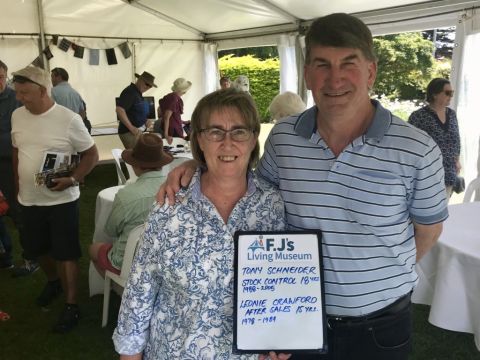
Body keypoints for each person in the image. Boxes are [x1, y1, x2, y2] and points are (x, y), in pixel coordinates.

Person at [158, 13, 448, 360]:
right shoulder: (284, 138)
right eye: (322, 64)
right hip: (296, 320)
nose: (335, 78)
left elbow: (428, 231)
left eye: (348, 64)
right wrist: (199, 162)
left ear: (370, 71)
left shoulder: (417, 149)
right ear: (307, 73)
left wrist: (380, 273)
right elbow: (250, 193)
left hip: (381, 325)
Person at [113, 88, 286, 359]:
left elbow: (286, 285)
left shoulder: (273, 206)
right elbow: (140, 291)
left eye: (239, 131)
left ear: (253, 139)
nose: (227, 143)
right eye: (214, 132)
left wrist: (283, 338)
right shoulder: (170, 205)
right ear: (199, 141)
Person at [11, 65, 99, 333]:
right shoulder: (17, 115)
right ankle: (53, 282)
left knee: (66, 253)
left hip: (61, 201)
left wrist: (73, 179)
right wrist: (18, 183)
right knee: (38, 249)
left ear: (42, 90)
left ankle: (71, 304)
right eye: (18, 92)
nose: (20, 98)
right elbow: (17, 150)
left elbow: (91, 155)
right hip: (28, 199)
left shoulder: (68, 119)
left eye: (25, 92)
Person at [89, 133, 172, 276]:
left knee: (93, 249)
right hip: (167, 259)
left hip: (129, 262)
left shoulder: (126, 195)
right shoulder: (177, 188)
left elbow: (111, 231)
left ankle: (121, 291)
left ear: (135, 165)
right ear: (161, 164)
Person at [0, 59, 39, 275]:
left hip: (10, 165)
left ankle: (30, 258)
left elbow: (24, 133)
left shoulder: (16, 100)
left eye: (0, 76)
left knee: (18, 212)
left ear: (6, 77)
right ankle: (5, 255)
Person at [408, 78, 461, 198]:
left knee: (443, 210)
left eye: (452, 93)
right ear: (434, 94)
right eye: (447, 93)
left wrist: (457, 160)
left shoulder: (451, 114)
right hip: (426, 174)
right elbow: (410, 144)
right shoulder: (418, 116)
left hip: (448, 172)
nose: (451, 96)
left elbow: (456, 139)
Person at [116, 71, 157, 149]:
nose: (148, 87)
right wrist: (131, 128)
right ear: (140, 80)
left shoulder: (137, 93)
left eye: (150, 86)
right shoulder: (130, 92)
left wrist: (145, 120)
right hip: (129, 132)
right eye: (147, 84)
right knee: (137, 158)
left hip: (136, 132)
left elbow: (134, 112)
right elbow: (119, 110)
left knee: (140, 156)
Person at [51, 67, 91, 134]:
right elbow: (83, 113)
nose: (51, 80)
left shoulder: (52, 92)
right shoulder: (76, 93)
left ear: (58, 77)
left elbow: (49, 112)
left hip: (60, 131)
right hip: (75, 130)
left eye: (52, 77)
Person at [159, 77, 192, 145]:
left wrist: (184, 122)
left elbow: (173, 116)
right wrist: (166, 134)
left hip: (174, 128)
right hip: (173, 131)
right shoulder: (174, 98)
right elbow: (166, 117)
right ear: (182, 90)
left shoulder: (171, 96)